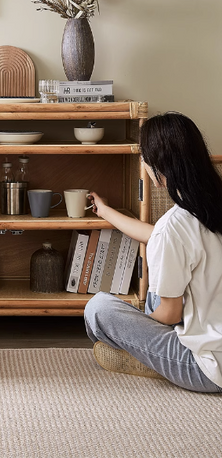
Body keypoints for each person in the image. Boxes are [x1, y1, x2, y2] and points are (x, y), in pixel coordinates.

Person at [84, 111, 222, 392]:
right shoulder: (209, 206)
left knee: (98, 309)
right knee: (166, 274)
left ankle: (147, 358)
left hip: (206, 366)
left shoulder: (174, 226)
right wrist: (107, 211)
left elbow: (170, 313)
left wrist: (137, 329)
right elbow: (156, 237)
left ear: (157, 166)